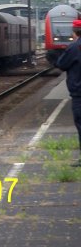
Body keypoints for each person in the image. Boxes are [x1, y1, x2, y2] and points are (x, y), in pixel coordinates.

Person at [47, 18, 81, 166]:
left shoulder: (74, 48)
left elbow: (62, 64)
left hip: (79, 94)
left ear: (74, 32)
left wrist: (54, 59)